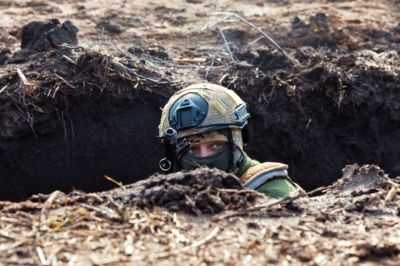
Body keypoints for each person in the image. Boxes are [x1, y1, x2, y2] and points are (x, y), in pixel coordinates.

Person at [158, 83, 301, 198]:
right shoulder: (176, 192)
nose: (204, 158)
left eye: (215, 145)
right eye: (192, 149)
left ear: (238, 139)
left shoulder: (272, 191)